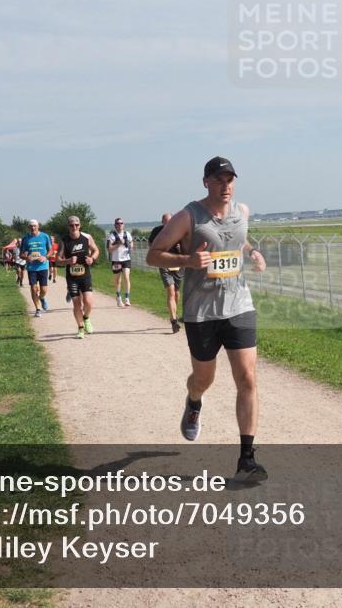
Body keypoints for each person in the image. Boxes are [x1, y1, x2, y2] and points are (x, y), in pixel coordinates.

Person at [146, 157, 268, 482]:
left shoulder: (242, 211)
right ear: (206, 182)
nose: (225, 186)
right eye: (219, 180)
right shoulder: (189, 216)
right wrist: (188, 260)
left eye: (230, 180)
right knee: (203, 379)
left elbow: (238, 238)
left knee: (247, 378)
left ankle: (247, 459)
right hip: (201, 312)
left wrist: (252, 252)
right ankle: (194, 401)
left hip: (239, 305)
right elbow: (153, 254)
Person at [58, 216, 100, 339]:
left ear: (80, 225)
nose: (74, 227)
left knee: (88, 302)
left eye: (76, 225)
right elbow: (58, 260)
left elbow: (96, 250)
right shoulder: (64, 240)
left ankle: (86, 317)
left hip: (85, 275)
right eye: (71, 225)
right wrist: (68, 261)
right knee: (77, 304)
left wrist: (92, 259)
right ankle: (81, 328)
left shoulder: (87, 237)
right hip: (72, 277)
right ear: (68, 227)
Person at [148, 212, 183, 333]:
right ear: (162, 222)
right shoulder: (156, 231)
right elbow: (150, 244)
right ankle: (174, 321)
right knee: (171, 291)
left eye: (170, 222)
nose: (168, 224)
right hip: (164, 263)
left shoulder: (179, 230)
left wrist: (180, 248)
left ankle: (174, 314)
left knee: (176, 293)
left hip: (178, 263)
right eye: (166, 222)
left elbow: (186, 247)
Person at [20, 220, 52, 316]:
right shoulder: (25, 238)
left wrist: (45, 257)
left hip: (43, 266)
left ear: (38, 226)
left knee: (44, 290)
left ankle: (41, 298)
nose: (33, 228)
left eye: (34, 226)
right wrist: (27, 257)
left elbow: (51, 251)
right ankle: (38, 309)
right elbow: (21, 254)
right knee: (33, 288)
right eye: (31, 226)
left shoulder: (45, 236)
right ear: (28, 227)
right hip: (31, 268)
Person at [107, 218, 133, 307]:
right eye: (118, 223)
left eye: (121, 223)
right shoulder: (111, 236)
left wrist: (130, 247)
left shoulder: (127, 234)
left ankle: (127, 298)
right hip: (116, 260)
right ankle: (118, 297)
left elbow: (131, 242)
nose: (120, 225)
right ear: (115, 225)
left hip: (126, 259)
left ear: (123, 224)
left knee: (126, 277)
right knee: (118, 280)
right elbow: (109, 249)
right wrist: (118, 244)